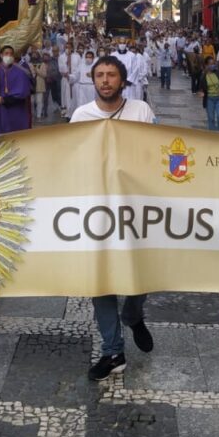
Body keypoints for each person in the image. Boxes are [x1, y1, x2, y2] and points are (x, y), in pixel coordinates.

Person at [69, 56, 156, 380]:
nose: (105, 80)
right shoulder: (81, 116)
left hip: (135, 209)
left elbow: (156, 153)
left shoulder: (141, 112)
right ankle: (113, 350)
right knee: (102, 281)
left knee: (139, 276)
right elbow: (70, 158)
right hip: (97, 211)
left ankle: (133, 315)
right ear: (93, 80)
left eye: (112, 75)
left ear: (123, 80)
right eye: (100, 75)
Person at [0, 46, 33, 135]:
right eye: (6, 53)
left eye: (11, 54)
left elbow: (23, 92)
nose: (9, 56)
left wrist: (5, 100)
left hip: (14, 108)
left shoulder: (20, 71)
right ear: (1, 55)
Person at [199, 58, 219, 131]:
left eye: (213, 63)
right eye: (210, 64)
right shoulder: (203, 76)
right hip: (209, 99)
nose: (212, 65)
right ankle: (212, 135)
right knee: (211, 118)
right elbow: (201, 87)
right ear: (206, 65)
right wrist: (201, 92)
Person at [29, 52, 50, 119]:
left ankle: (38, 115)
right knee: (31, 101)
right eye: (33, 54)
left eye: (35, 54)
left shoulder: (42, 64)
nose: (34, 55)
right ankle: (31, 115)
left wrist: (37, 70)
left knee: (39, 101)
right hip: (31, 85)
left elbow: (44, 75)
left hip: (39, 85)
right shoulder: (29, 64)